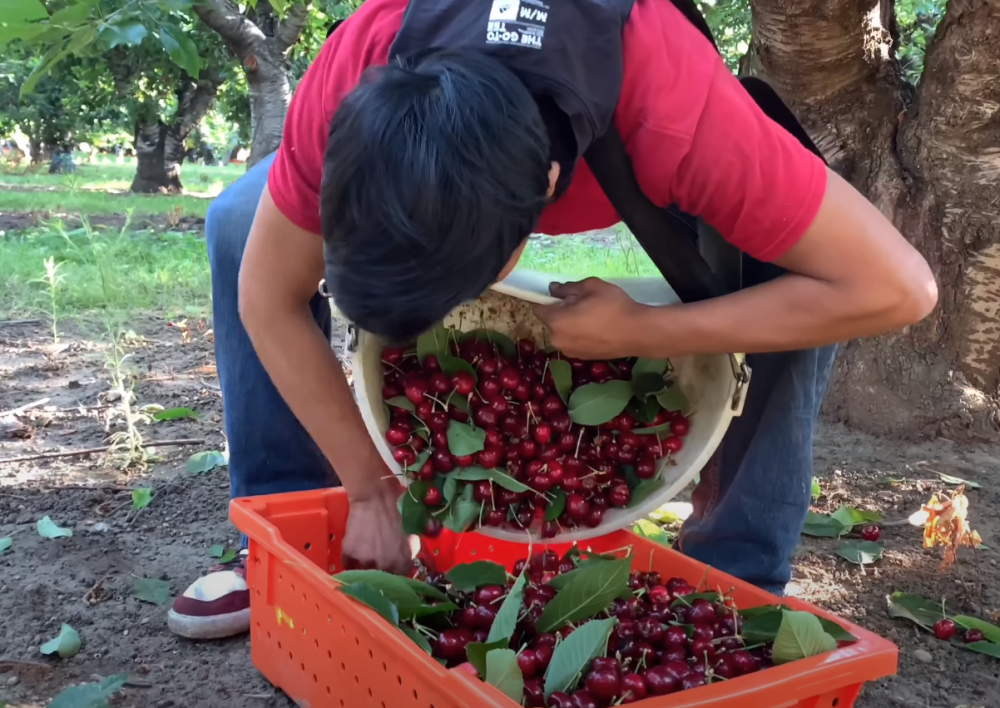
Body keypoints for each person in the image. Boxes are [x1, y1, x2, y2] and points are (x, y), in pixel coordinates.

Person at [166, 0, 937, 640]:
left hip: (626, 138)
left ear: (546, 190)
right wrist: (368, 489)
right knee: (240, 222)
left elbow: (897, 288)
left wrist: (644, 332)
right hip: (455, 129)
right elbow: (267, 296)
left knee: (787, 272)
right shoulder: (359, 61)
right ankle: (287, 521)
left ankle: (735, 580)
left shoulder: (676, 109)